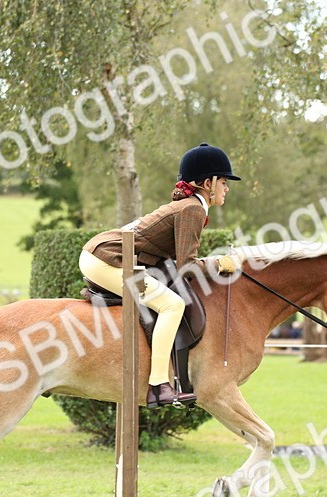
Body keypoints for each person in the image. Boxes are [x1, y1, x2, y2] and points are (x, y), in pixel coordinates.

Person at [80, 142, 240, 407]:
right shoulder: (192, 209)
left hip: (104, 255)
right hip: (108, 259)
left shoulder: (187, 206)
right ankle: (158, 385)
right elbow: (187, 266)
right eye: (224, 181)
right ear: (208, 183)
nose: (227, 187)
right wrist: (220, 264)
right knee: (171, 305)